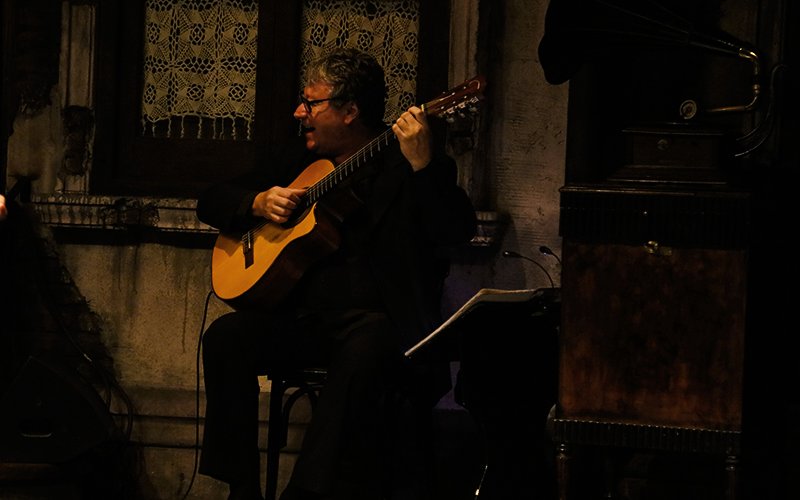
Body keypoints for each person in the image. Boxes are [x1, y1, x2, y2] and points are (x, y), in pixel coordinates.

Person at [195, 48, 477, 500]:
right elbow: (211, 198)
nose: (298, 112)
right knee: (227, 337)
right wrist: (256, 203)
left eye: (311, 103)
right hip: (307, 318)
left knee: (366, 347)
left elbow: (457, 229)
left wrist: (425, 167)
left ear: (350, 111)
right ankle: (241, 488)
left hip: (381, 321)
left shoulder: (408, 159)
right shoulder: (297, 159)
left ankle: (307, 493)